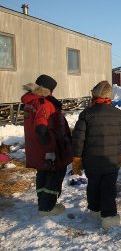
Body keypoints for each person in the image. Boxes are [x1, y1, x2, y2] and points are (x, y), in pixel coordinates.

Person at [72, 80, 121, 230]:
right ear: (109, 97)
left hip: (91, 161)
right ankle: (108, 217)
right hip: (112, 161)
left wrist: (77, 158)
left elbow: (78, 139)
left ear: (95, 95)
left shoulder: (86, 114)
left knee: (93, 185)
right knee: (108, 187)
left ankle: (95, 210)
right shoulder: (119, 114)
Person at [21, 74, 72, 216]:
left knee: (42, 172)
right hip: (46, 147)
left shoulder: (30, 102)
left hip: (34, 146)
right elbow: (41, 126)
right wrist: (50, 148)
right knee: (55, 172)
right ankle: (47, 207)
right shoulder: (44, 103)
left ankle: (43, 202)